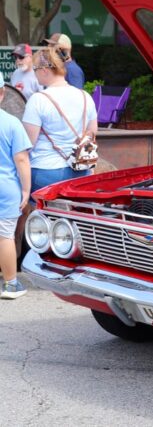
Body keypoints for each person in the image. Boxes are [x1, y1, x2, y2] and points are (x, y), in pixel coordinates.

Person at [22, 47, 97, 193]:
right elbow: (92, 133)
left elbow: (27, 143)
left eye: (35, 69)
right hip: (81, 170)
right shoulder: (85, 96)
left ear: (44, 70)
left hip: (45, 171)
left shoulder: (38, 99)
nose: (34, 74)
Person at [0, 79, 32, 299]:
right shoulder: (11, 123)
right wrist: (26, 190)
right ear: (2, 93)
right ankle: (11, 284)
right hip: (5, 188)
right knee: (5, 236)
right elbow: (21, 159)